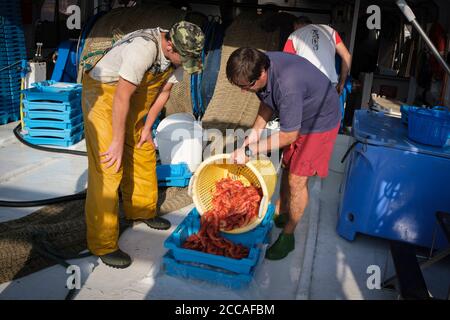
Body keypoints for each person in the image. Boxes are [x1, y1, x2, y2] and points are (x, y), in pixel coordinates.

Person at [81, 21, 205, 268]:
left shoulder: (178, 56)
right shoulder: (143, 49)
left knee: (142, 149)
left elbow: (163, 93)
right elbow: (121, 96)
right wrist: (116, 141)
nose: (183, 64)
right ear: (169, 44)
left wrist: (147, 129)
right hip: (105, 92)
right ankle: (103, 244)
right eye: (182, 58)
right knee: (109, 166)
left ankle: (141, 210)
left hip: (133, 95)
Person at [227, 48, 340, 260]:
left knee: (297, 179)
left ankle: (289, 235)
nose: (243, 92)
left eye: (245, 87)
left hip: (320, 121)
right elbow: (268, 100)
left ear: (261, 74)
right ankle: (281, 211)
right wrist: (255, 132)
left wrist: (250, 150)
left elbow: (288, 136)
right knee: (287, 165)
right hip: (299, 114)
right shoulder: (260, 63)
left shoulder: (288, 85)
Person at [283, 16, 352, 95]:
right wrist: (342, 83)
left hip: (305, 85)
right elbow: (347, 56)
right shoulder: (330, 31)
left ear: (296, 25)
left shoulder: (294, 35)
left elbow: (286, 64)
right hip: (328, 85)